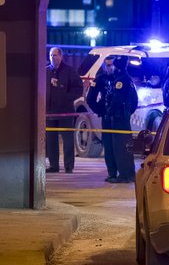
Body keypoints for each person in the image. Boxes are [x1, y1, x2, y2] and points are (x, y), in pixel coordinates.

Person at [85, 55, 138, 183]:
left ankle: (125, 173)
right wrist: (100, 110)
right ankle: (112, 173)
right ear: (104, 66)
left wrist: (127, 112)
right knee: (109, 146)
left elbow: (133, 99)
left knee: (121, 145)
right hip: (107, 117)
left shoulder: (122, 78)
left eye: (111, 65)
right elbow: (90, 98)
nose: (110, 67)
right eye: (108, 65)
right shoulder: (100, 79)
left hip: (119, 117)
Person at [45, 47, 83, 173]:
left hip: (66, 112)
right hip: (49, 112)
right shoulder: (45, 72)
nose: (53, 58)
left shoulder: (69, 71)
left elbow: (78, 89)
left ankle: (68, 166)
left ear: (61, 56)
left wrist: (65, 97)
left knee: (67, 140)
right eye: (51, 55)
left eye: (55, 55)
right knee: (51, 141)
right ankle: (53, 165)